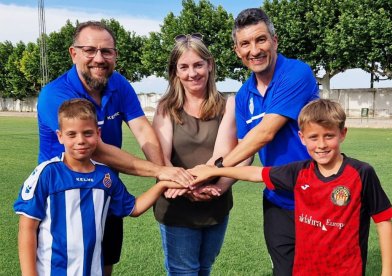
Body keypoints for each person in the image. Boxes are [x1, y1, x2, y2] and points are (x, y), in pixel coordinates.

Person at [36, 21, 193, 275]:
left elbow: (142, 128)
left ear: (115, 56)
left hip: (106, 192)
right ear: (73, 53)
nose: (99, 58)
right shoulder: (55, 94)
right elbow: (95, 150)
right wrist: (161, 171)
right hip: (63, 200)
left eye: (106, 51)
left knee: (104, 264)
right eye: (90, 50)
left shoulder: (118, 84)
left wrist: (165, 172)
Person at [189, 99, 392, 276]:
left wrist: (387, 272)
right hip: (303, 270)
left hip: (346, 270)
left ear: (342, 134)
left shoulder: (361, 173)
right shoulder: (298, 172)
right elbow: (255, 173)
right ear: (302, 138)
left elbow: (383, 220)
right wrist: (215, 171)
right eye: (313, 137)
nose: (321, 144)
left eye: (329, 136)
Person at [14, 99, 186, 276]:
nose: (80, 140)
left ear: (98, 133)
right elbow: (27, 228)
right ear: (60, 136)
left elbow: (133, 208)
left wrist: (162, 184)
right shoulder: (47, 174)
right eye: (71, 134)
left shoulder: (106, 177)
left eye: (88, 133)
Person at [210, 8, 319, 275]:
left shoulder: (296, 73)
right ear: (237, 51)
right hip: (276, 200)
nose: (254, 50)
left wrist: (211, 169)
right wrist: (218, 185)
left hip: (317, 196)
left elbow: (265, 134)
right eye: (245, 44)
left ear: (275, 40)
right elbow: (244, 151)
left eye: (261, 40)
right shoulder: (244, 94)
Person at [151, 33, 247, 275]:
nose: (192, 73)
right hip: (176, 204)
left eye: (198, 65)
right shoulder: (166, 108)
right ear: (175, 72)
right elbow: (160, 159)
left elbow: (231, 154)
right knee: (184, 271)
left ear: (210, 65)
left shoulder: (229, 106)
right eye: (184, 67)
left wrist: (218, 187)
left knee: (204, 269)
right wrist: (186, 187)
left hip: (215, 200)